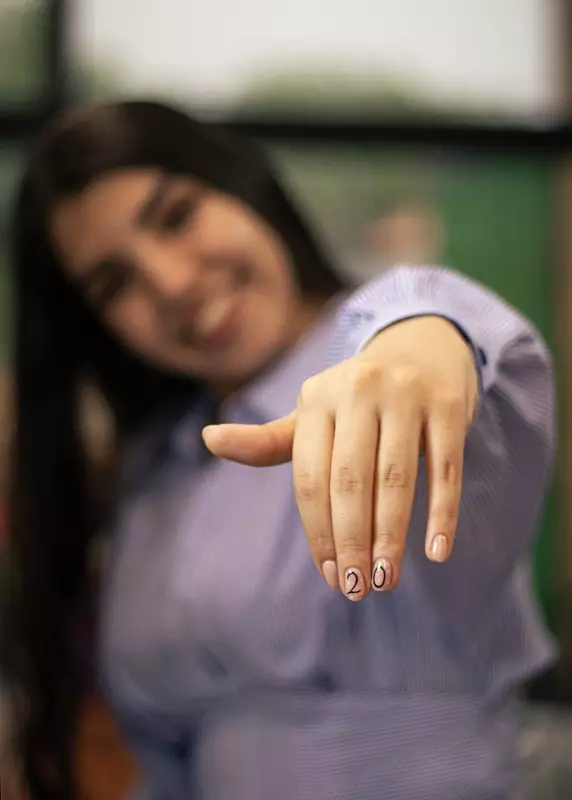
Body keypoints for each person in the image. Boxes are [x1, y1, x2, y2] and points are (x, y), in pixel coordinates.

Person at [4, 100, 555, 800]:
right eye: (115, 283)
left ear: (241, 183)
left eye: (176, 216)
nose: (171, 283)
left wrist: (425, 335)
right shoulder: (154, 465)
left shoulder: (372, 360)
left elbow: (431, 321)